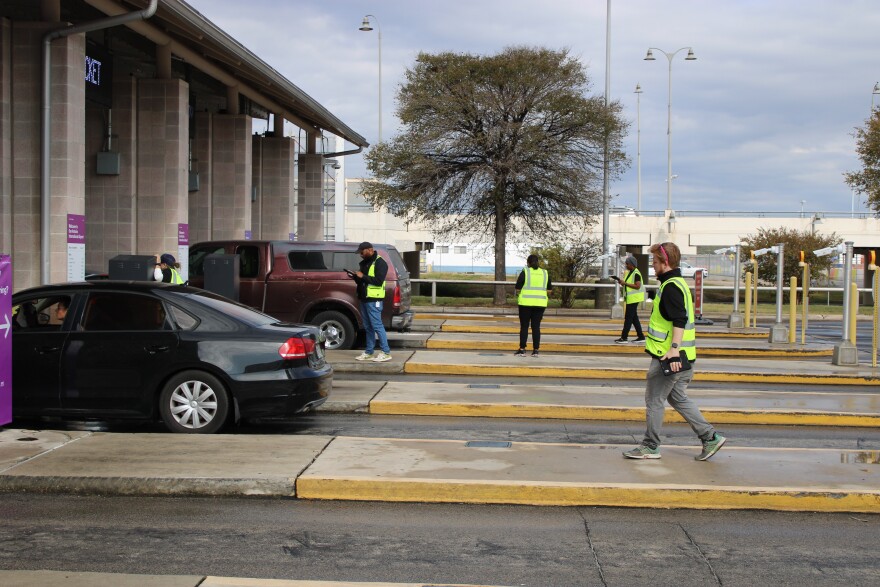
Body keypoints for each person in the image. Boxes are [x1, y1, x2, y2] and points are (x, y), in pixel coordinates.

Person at [623, 241, 726, 462]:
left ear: (665, 262)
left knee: (654, 400)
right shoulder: (678, 284)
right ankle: (710, 437)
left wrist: (673, 350)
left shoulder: (671, 287)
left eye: (655, 262)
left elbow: (680, 319)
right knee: (678, 398)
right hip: (685, 358)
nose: (652, 266)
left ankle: (650, 446)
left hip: (668, 358)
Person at [351, 242, 392, 362]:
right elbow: (362, 280)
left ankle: (386, 352)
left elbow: (378, 281)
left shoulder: (380, 262)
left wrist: (362, 276)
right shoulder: (365, 262)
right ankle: (369, 352)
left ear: (370, 250)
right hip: (364, 298)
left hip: (374, 299)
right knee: (368, 327)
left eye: (362, 252)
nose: (361, 255)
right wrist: (355, 277)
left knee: (377, 325)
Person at [514, 254, 552, 357]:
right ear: (538, 262)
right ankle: (535, 350)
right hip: (540, 304)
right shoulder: (545, 273)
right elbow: (549, 290)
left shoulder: (525, 272)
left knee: (524, 326)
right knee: (536, 327)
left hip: (525, 304)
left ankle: (522, 349)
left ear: (528, 263)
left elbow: (517, 288)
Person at [613, 256, 645, 344]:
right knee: (634, 318)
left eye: (627, 263)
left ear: (631, 264)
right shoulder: (630, 273)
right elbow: (629, 285)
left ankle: (624, 337)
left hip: (634, 299)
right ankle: (641, 336)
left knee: (628, 318)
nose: (626, 265)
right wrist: (622, 282)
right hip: (631, 299)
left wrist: (625, 283)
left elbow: (637, 286)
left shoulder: (636, 273)